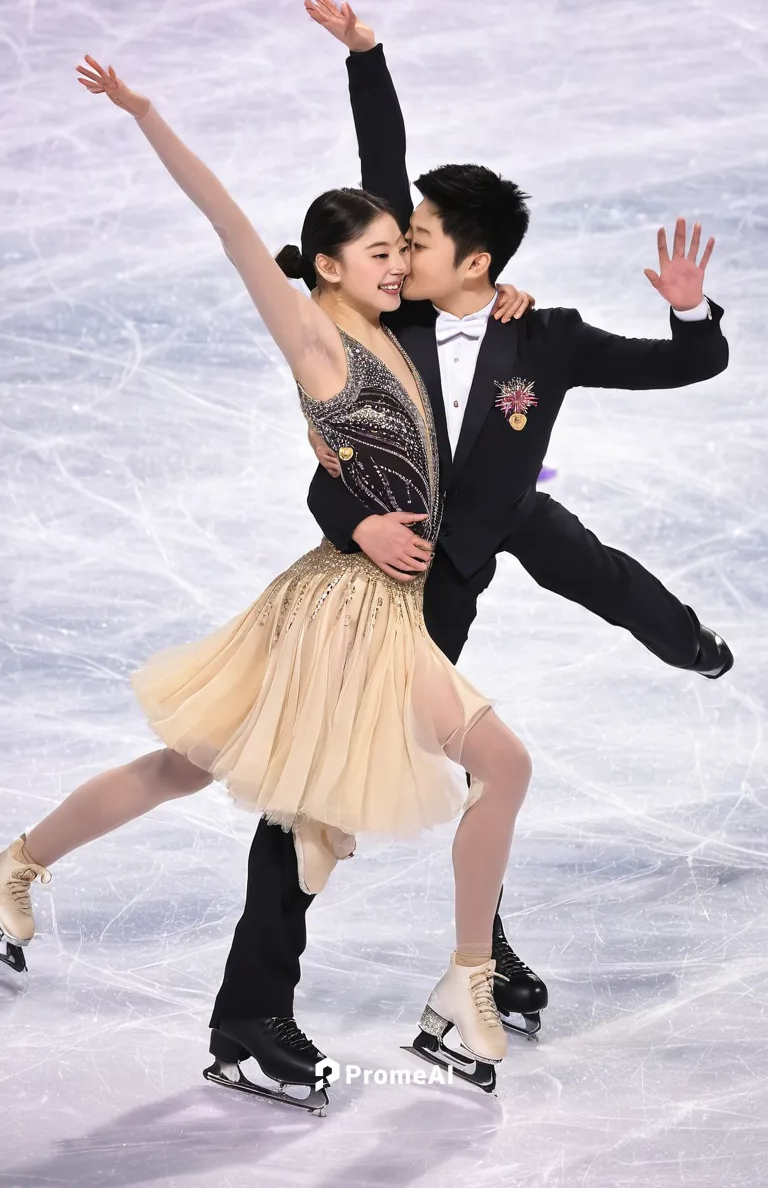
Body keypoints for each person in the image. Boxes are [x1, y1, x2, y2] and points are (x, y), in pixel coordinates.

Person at [206, 0, 732, 1095]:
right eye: (396, 239)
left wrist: (692, 314)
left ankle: (478, 953)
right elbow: (328, 472)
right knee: (316, 800)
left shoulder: (544, 336)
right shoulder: (384, 323)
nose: (400, 245)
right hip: (368, 591)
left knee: (549, 622)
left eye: (422, 237)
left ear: (474, 258)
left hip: (461, 573)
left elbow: (683, 368)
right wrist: (367, 56)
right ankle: (253, 1015)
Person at [0, 54, 534, 1107]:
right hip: (337, 613)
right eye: (381, 252)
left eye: (404, 250)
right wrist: (150, 111)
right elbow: (232, 225)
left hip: (386, 613)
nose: (399, 263)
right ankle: (26, 871)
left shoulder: (399, 327)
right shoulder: (315, 336)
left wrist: (494, 288)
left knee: (209, 767)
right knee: (207, 770)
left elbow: (426, 233)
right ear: (330, 266)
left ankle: (461, 981)